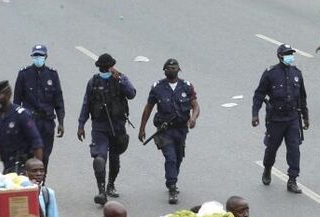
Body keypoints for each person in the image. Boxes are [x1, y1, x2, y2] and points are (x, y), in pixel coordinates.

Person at [138, 58, 200, 204]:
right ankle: (172, 186)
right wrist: (142, 128)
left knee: (178, 157)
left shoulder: (186, 86)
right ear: (164, 70)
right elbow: (148, 108)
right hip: (164, 130)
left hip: (181, 130)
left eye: (174, 68)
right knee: (170, 158)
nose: (171, 70)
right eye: (168, 68)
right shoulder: (157, 87)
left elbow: (195, 106)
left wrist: (193, 118)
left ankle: (172, 178)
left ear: (179, 70)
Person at [78, 53, 136, 205]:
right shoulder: (93, 82)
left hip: (117, 126)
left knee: (115, 158)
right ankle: (101, 191)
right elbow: (86, 104)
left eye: (107, 68)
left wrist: (121, 79)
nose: (105, 70)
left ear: (112, 67)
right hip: (100, 127)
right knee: (100, 157)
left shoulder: (120, 79)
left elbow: (132, 94)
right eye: (102, 68)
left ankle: (111, 184)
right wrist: (81, 124)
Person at [253, 44, 309, 193]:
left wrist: (305, 116)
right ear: (280, 56)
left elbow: (302, 97)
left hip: (292, 118)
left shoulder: (297, 73)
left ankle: (292, 180)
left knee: (294, 149)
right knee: (271, 148)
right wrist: (255, 114)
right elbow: (259, 94)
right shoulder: (270, 74)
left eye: (291, 54)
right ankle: (267, 168)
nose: (290, 56)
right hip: (275, 119)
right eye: (287, 54)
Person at [13, 44, 65, 167]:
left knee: (44, 155)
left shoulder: (52, 74)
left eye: (40, 55)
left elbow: (58, 100)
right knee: (27, 154)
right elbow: (16, 101)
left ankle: (42, 178)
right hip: (29, 121)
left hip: (47, 122)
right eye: (35, 55)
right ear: (32, 57)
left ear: (45, 56)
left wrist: (61, 122)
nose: (38, 58)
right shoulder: (24, 74)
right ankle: (26, 177)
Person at [0, 80, 44, 174]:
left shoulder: (21, 115)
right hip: (8, 168)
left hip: (22, 168)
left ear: (8, 95)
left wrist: (38, 170)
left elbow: (37, 143)